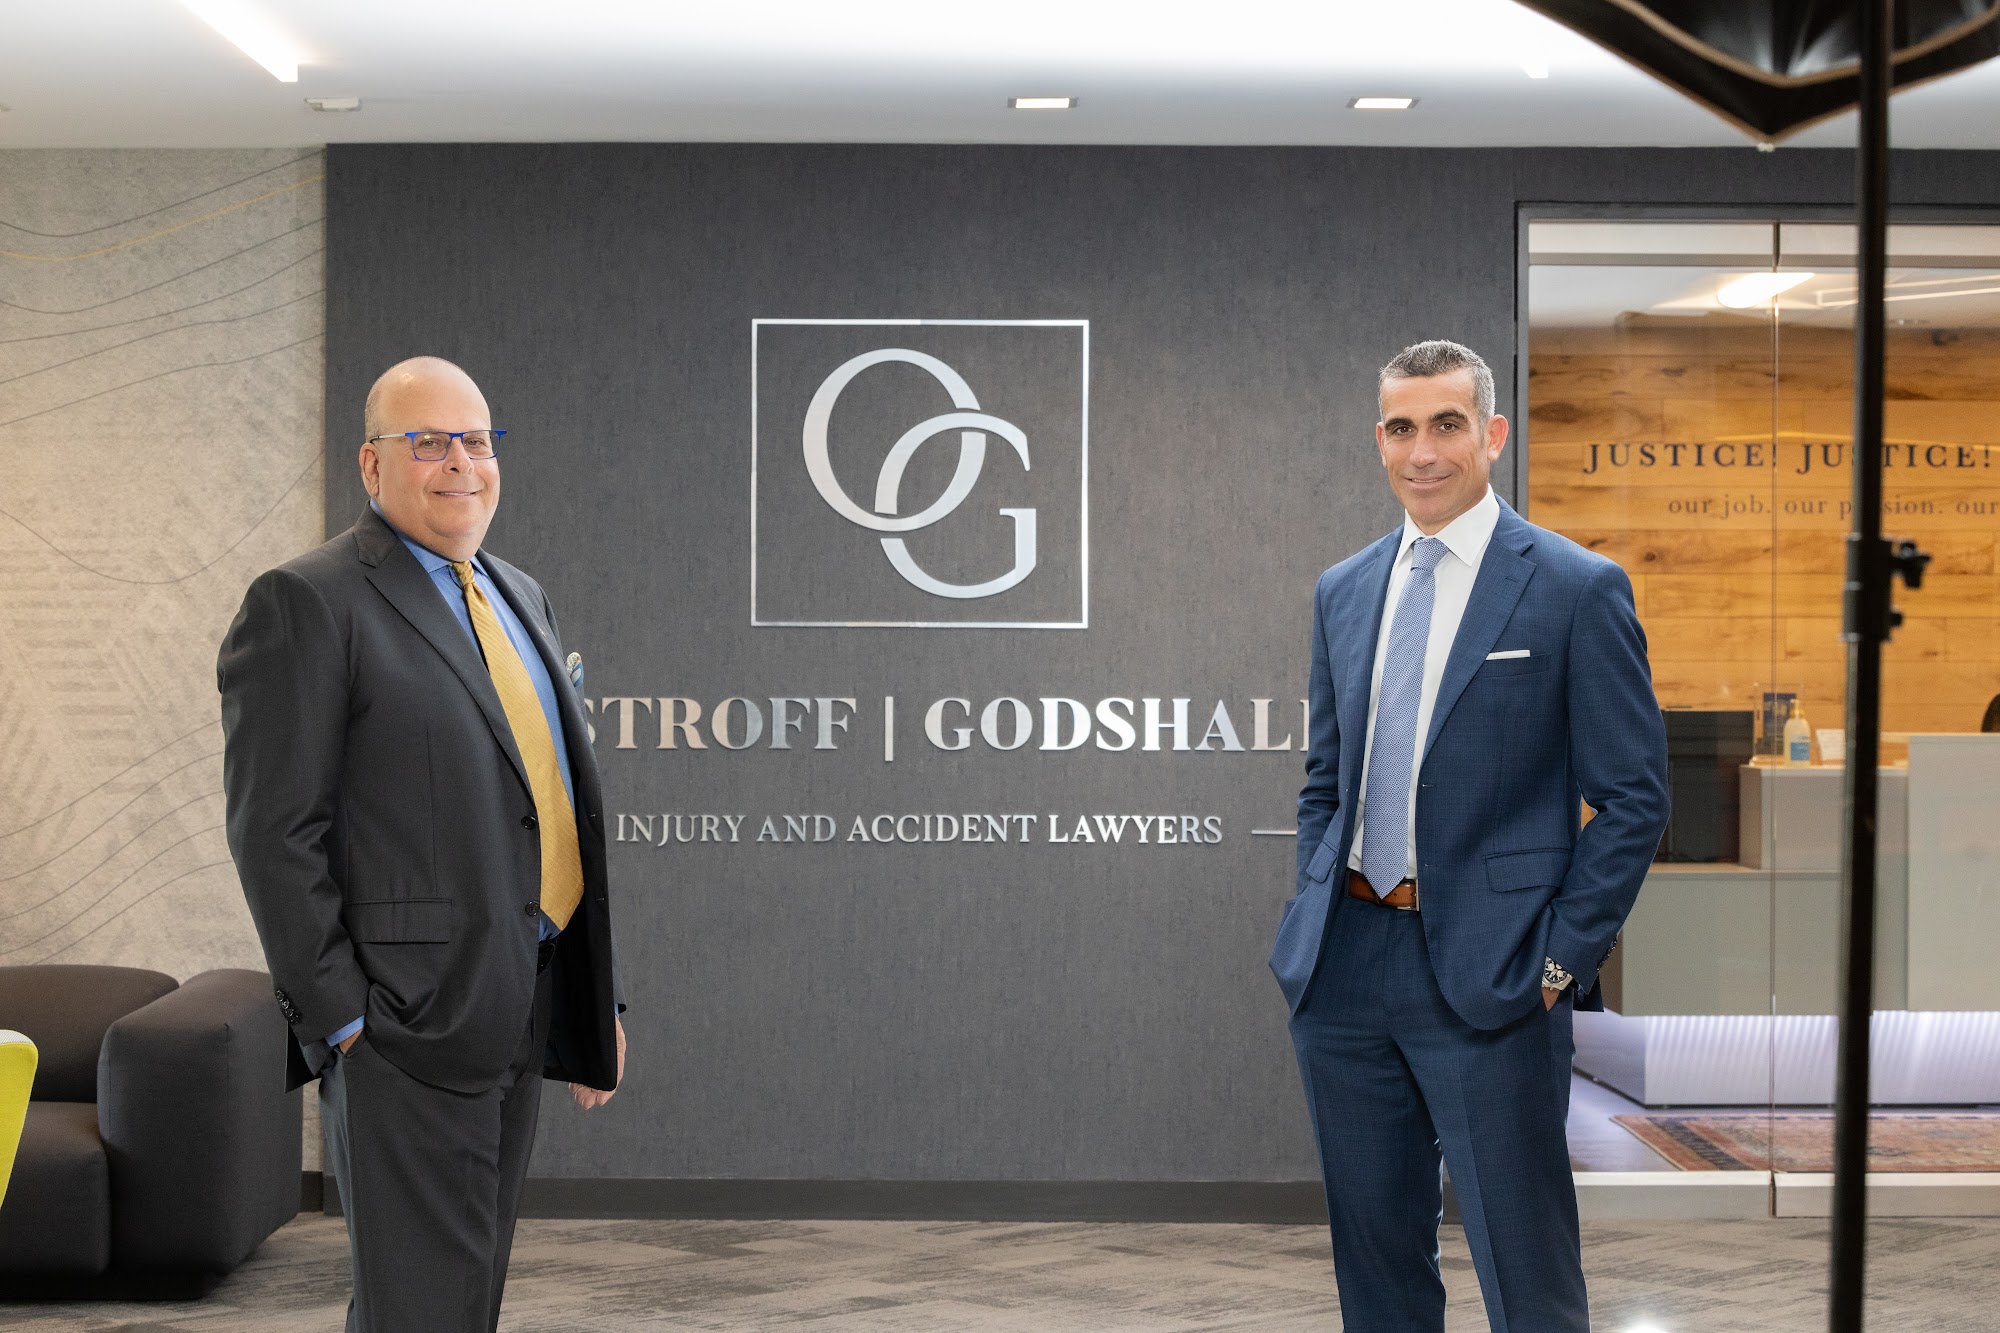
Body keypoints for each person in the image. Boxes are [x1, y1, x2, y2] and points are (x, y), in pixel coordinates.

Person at [218, 356, 627, 1332]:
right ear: (372, 464)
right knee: (419, 1307)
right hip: (403, 1026)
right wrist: (343, 1020)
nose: (460, 463)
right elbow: (275, 829)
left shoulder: (518, 593)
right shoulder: (306, 600)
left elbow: (546, 803)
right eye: (429, 441)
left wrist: (594, 990)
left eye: (476, 440)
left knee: (463, 1298)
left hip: (523, 997)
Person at [1270, 340, 1668, 1332]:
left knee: (1527, 1274)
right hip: (1345, 966)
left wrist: (1558, 962)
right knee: (1376, 1268)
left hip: (1498, 976)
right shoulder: (1343, 589)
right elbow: (1327, 777)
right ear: (1378, 440)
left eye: (1446, 424)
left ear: (1491, 434)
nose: (1423, 451)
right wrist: (1312, 899)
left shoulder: (1574, 587)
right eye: (1401, 428)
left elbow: (1632, 799)